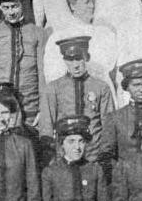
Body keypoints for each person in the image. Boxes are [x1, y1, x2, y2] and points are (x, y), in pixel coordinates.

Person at [40, 36, 115, 164]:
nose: (75, 65)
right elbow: (46, 126)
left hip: (93, 156)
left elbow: (108, 125)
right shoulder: (53, 88)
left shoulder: (101, 87)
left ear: (87, 57)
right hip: (65, 157)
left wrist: (104, 156)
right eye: (70, 60)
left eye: (79, 58)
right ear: (64, 60)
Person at [42, 0, 117, 100]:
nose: (91, 6)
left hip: (103, 96)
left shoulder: (104, 33)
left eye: (93, 2)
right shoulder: (59, 36)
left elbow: (111, 69)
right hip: (72, 97)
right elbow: (52, 75)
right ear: (72, 5)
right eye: (87, 2)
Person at [0, 0, 46, 129]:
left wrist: (44, 108)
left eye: (14, 6)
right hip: (3, 109)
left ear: (22, 3)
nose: (11, 12)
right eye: (6, 7)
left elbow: (43, 73)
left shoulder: (38, 33)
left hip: (31, 108)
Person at [100, 59, 142, 170]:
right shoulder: (115, 118)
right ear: (127, 87)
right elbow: (106, 155)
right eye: (136, 85)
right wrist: (120, 173)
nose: (141, 89)